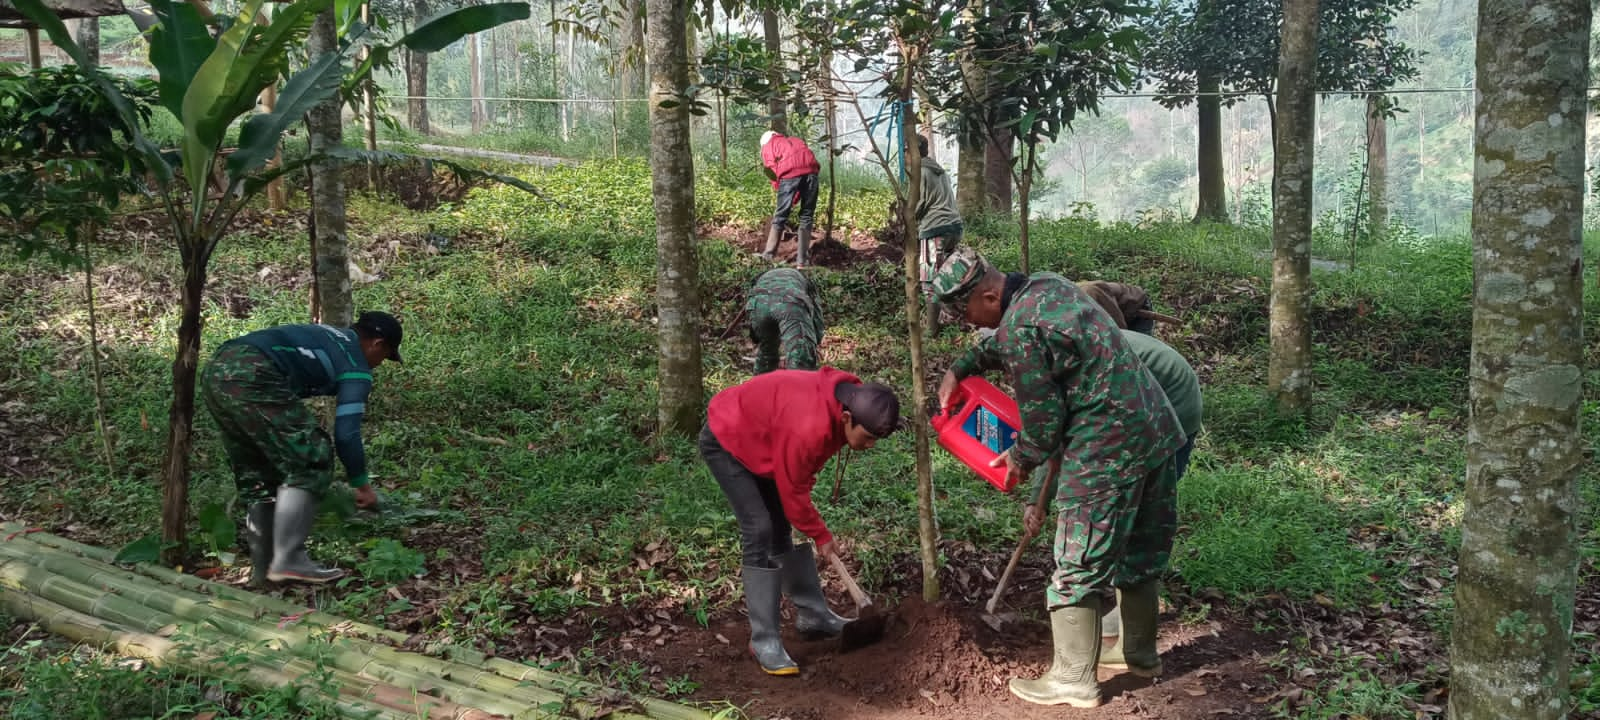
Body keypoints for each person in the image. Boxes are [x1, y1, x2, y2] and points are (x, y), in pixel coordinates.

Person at [931, 247, 1184, 708]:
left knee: (1076, 565)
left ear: (989, 295)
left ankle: (1072, 679)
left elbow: (1044, 426)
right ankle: (1141, 657)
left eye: (964, 311)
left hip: (1106, 449)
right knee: (1143, 554)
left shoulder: (1020, 331)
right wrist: (961, 366)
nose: (966, 322)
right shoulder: (1047, 287)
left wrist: (1018, 459)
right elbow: (1006, 340)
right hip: (1154, 431)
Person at [699, 369, 900, 675]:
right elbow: (793, 491)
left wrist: (813, 525)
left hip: (765, 442)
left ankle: (814, 616)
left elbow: (797, 476)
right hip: (728, 437)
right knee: (759, 527)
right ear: (847, 418)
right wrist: (821, 534)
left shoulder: (852, 400)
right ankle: (763, 640)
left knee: (780, 526)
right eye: (868, 437)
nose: (870, 445)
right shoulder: (810, 426)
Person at [1033, 329, 1203, 657]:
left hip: (1170, 406)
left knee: (1133, 518)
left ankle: (1112, 647)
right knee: (1128, 518)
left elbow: (1056, 438)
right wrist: (1034, 501)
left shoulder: (1065, 360)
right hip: (1153, 400)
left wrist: (1043, 501)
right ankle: (1134, 644)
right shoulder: (1066, 344)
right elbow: (1056, 443)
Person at [201, 311, 403, 586]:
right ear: (377, 344)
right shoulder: (356, 362)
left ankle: (265, 573)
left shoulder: (331, 337)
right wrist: (362, 485)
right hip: (254, 372)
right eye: (385, 356)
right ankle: (290, 559)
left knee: (258, 470)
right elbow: (346, 434)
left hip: (217, 369)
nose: (379, 364)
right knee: (313, 454)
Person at [915, 136, 964, 332]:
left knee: (929, 279)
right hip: (954, 226)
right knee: (948, 275)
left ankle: (932, 329)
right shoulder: (940, 170)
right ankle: (954, 319)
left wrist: (908, 218)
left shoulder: (921, 171)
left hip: (935, 228)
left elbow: (918, 204)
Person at [758, 130, 821, 267]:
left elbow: (772, 171)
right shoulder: (794, 140)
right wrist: (793, 199)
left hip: (789, 174)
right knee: (807, 215)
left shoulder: (768, 147)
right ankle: (802, 262)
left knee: (780, 215)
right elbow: (805, 163)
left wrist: (782, 196)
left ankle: (768, 256)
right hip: (812, 172)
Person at [745, 268, 824, 374]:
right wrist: (814, 341)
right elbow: (817, 317)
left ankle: (760, 384)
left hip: (758, 304)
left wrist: (758, 337)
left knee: (767, 350)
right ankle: (798, 387)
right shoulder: (805, 281)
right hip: (790, 302)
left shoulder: (761, 279)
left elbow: (755, 333)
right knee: (800, 357)